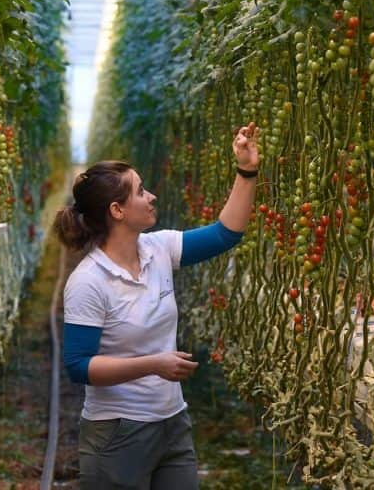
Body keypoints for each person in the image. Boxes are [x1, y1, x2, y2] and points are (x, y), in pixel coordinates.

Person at [52, 122, 259, 490]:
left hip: (172, 423)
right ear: (117, 210)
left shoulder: (158, 248)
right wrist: (153, 365)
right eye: (141, 191)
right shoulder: (89, 281)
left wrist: (246, 170)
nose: (152, 197)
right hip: (116, 433)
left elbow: (226, 233)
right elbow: (78, 366)